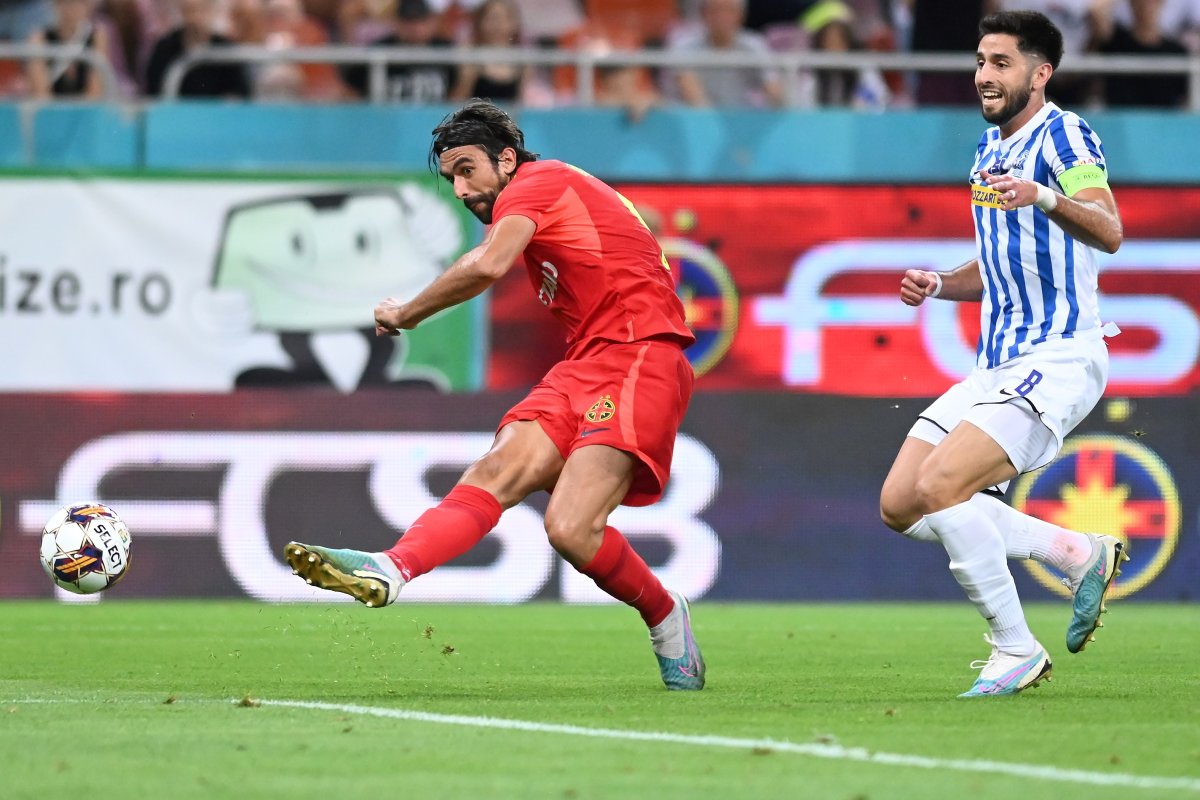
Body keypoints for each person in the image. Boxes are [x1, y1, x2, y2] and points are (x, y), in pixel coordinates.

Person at [285, 99, 706, 692]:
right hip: (586, 362)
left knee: (569, 529)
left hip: (643, 355)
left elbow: (488, 265)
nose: (459, 190)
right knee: (498, 467)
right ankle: (392, 566)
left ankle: (665, 615)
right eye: (451, 176)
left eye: (467, 170)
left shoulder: (540, 181)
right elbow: (492, 257)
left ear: (506, 160)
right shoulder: (535, 194)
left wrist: (406, 312)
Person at [878, 10, 1129, 698]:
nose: (985, 75)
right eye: (982, 61)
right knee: (902, 502)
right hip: (997, 364)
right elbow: (997, 265)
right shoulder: (987, 156)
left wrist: (1044, 192)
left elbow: (1109, 230)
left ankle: (1015, 649)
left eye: (1002, 63)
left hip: (1059, 356)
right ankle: (1076, 553)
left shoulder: (1065, 134)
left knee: (941, 488)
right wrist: (940, 285)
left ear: (1039, 74)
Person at [666, 0, 784, 107]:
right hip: (697, 121)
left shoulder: (754, 45)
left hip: (739, 116)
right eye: (715, 10)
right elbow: (693, 95)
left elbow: (774, 88)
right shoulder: (684, 46)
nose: (721, 16)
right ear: (703, 14)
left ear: (740, 15)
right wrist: (713, 126)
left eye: (728, 10)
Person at [339, 0, 456, 103]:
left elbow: (457, 94)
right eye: (408, 21)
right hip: (388, 122)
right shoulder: (379, 50)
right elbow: (351, 91)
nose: (415, 28)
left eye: (420, 20)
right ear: (396, 22)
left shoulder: (445, 50)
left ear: (431, 22)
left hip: (435, 122)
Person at [143, 0, 249, 98]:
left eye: (200, 10)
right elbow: (154, 90)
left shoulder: (226, 50)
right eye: (189, 11)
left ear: (211, 11)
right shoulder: (165, 48)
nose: (194, 18)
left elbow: (239, 93)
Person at [26, 0, 111, 99]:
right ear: (55, 5)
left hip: (87, 110)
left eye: (78, 2)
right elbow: (40, 92)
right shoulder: (39, 38)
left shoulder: (97, 37)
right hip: (51, 110)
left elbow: (95, 91)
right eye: (65, 2)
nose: (72, 8)